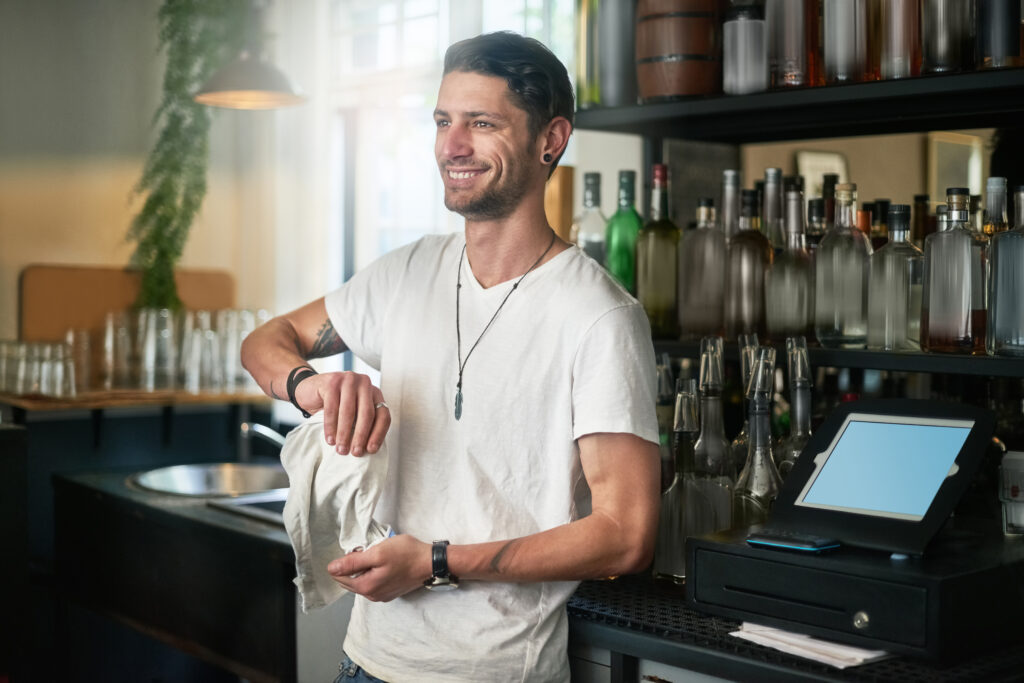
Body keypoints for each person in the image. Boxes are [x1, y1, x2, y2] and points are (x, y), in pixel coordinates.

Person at [241, 31, 660, 683]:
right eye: (443, 121)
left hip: (495, 671)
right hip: (367, 660)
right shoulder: (406, 273)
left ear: (550, 139)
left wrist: (436, 561)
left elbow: (626, 533)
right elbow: (264, 341)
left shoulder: (599, 316)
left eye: (481, 123)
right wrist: (311, 387)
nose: (451, 146)